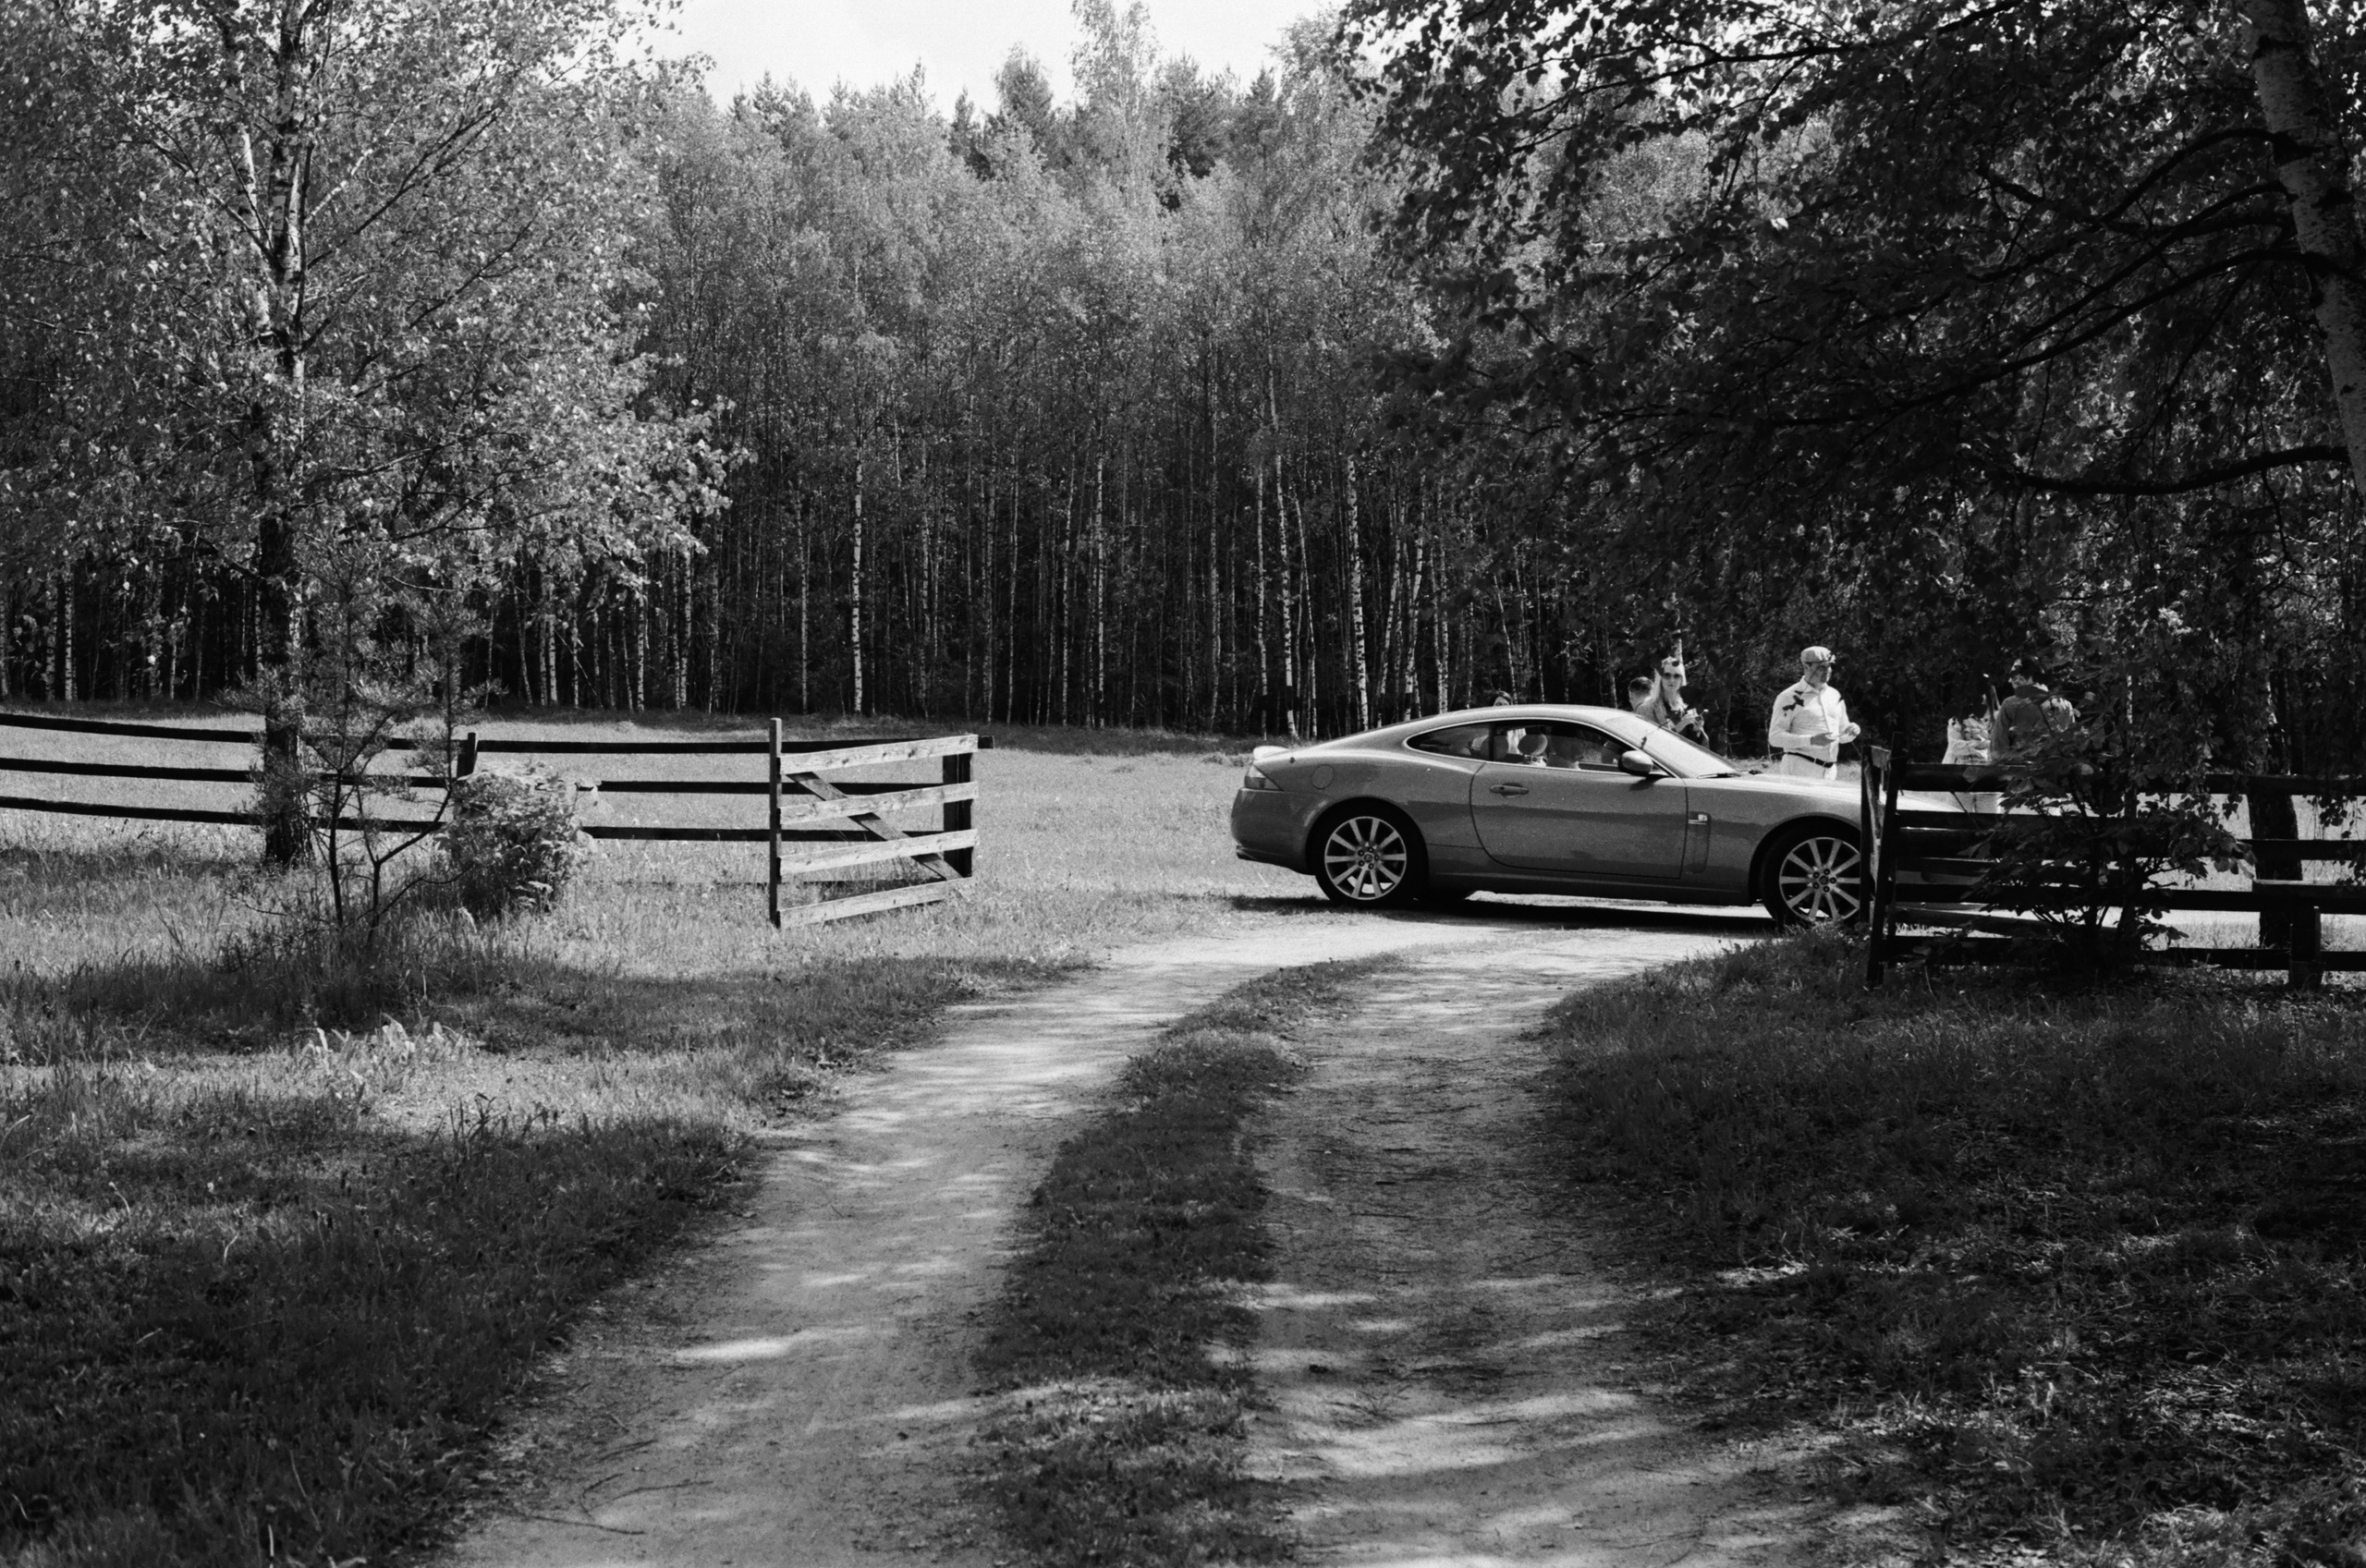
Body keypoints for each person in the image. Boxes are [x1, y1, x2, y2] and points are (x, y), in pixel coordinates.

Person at [1766, 644, 1860, 780]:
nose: (1827, 671)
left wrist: (1852, 731)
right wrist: (1811, 740)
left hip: (1830, 772)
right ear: (1806, 667)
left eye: (1829, 666)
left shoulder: (1834, 695)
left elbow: (1842, 736)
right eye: (1821, 667)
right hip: (1799, 770)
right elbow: (1775, 738)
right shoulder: (1789, 697)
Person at [1995, 660, 2077, 761]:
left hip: (2020, 770)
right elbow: (2070, 745)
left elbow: (1998, 747)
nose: (2010, 681)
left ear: (2029, 677)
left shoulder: (2010, 704)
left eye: (2013, 676)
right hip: (2054, 769)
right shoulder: (2065, 705)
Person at [1632, 647, 1709, 739]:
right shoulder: (1646, 709)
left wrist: (1697, 730)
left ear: (1682, 680)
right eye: (1667, 675)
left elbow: (1697, 746)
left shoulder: (1685, 709)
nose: (1672, 680)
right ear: (1660, 679)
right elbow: (1644, 742)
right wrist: (1676, 729)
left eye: (1676, 676)